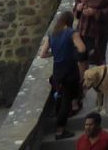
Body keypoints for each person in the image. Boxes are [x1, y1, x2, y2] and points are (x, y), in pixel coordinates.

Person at [40, 12, 87, 140]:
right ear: (70, 21)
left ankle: (60, 122)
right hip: (70, 70)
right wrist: (72, 51)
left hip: (57, 71)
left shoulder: (52, 34)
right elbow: (82, 49)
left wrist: (54, 54)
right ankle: (60, 131)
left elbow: (43, 54)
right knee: (66, 101)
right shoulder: (72, 33)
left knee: (61, 98)